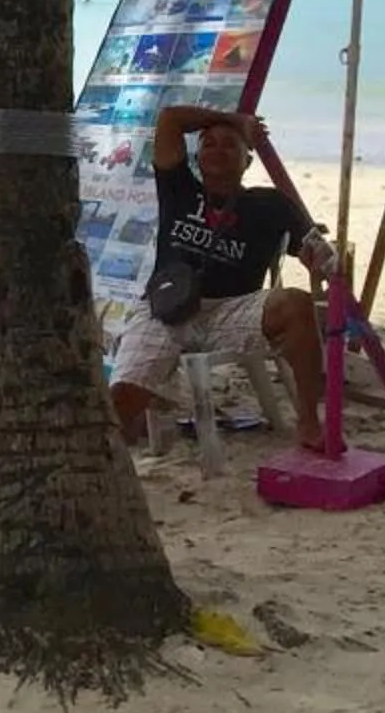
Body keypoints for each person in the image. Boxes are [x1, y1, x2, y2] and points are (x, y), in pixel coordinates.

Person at [110, 104, 334, 452]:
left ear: (248, 160)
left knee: (295, 303)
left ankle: (308, 421)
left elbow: (319, 252)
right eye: (209, 144)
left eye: (230, 144)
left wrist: (319, 259)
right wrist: (236, 122)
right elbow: (170, 118)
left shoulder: (271, 203)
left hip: (234, 310)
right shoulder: (178, 187)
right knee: (120, 403)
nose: (218, 150)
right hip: (167, 307)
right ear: (197, 158)